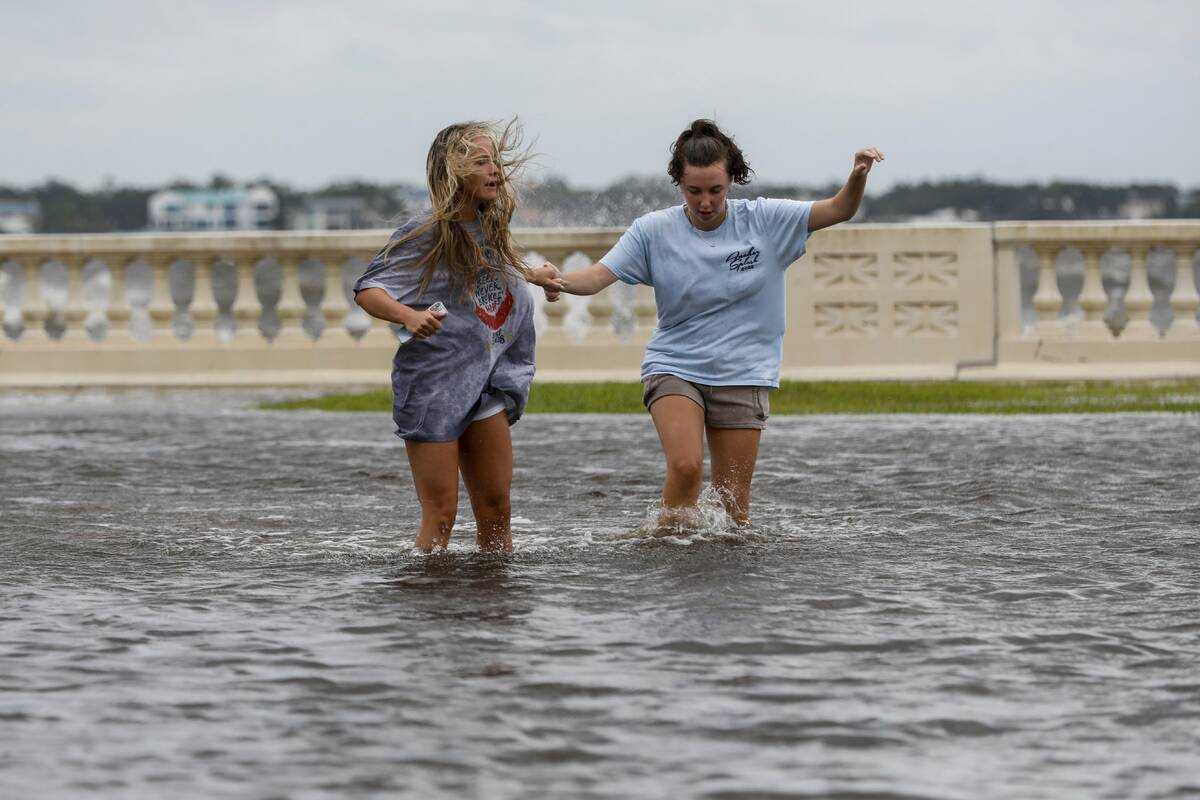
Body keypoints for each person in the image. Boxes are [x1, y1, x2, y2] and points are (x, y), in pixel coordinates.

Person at [543, 119, 883, 527]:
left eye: (715, 191)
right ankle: (666, 550)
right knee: (686, 468)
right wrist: (558, 280)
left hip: (744, 371)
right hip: (675, 365)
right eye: (695, 191)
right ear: (679, 185)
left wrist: (857, 176)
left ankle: (724, 584)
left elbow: (840, 209)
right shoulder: (652, 230)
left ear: (732, 181)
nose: (705, 202)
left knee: (733, 502)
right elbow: (598, 276)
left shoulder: (766, 220)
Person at [353, 120, 563, 553]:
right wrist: (408, 316)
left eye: (496, 162)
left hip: (485, 384)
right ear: (454, 172)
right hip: (434, 388)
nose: (495, 171)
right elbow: (368, 290)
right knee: (442, 515)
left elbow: (492, 268)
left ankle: (492, 608)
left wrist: (533, 275)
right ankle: (431, 608)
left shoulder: (489, 227)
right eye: (481, 162)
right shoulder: (426, 232)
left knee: (497, 509)